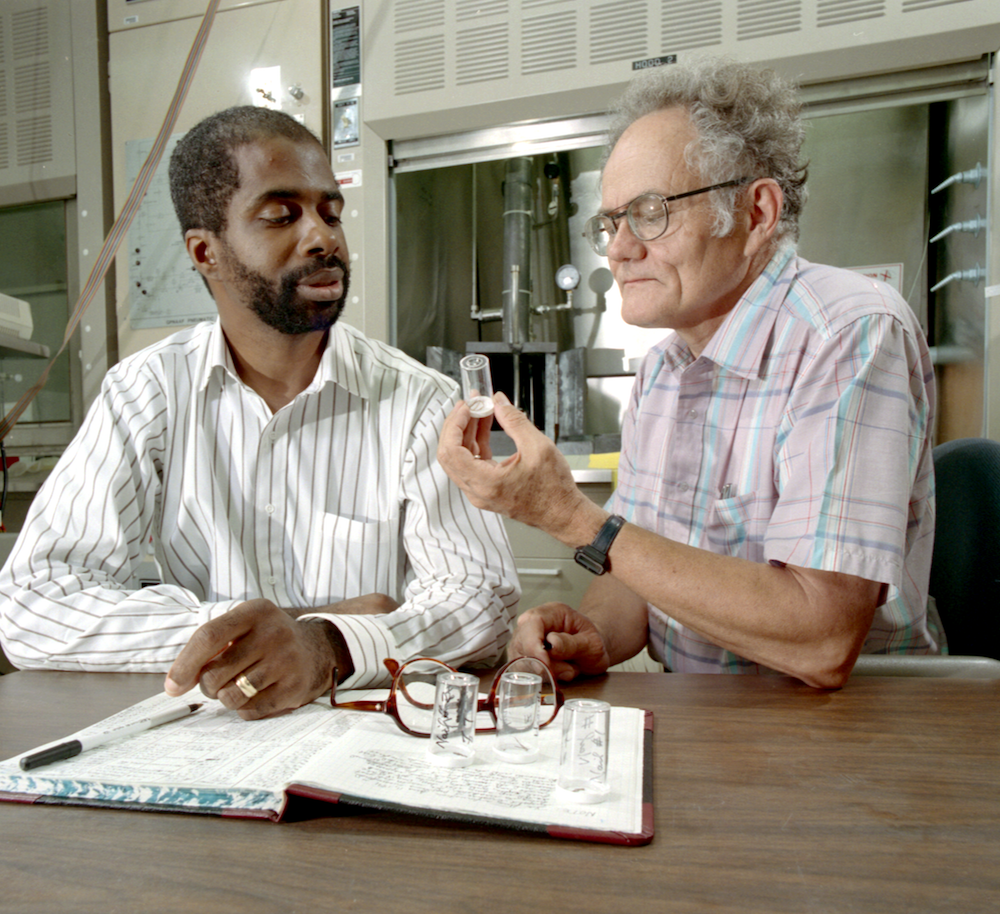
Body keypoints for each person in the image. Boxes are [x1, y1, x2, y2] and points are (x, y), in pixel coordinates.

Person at [438, 57, 941, 690]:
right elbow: (636, 581)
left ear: (756, 213)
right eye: (610, 222)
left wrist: (570, 516)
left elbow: (822, 639)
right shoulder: (662, 373)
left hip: (854, 730)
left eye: (649, 212)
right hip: (708, 717)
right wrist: (594, 633)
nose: (620, 247)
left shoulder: (849, 333)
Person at [0, 106, 519, 717]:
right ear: (205, 251)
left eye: (331, 213)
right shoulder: (146, 393)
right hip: (211, 740)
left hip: (365, 734)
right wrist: (286, 630)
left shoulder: (419, 402)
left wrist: (328, 647)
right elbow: (32, 606)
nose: (324, 238)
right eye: (281, 216)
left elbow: (482, 603)